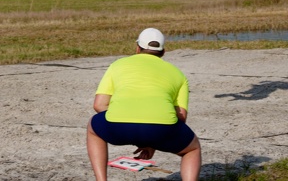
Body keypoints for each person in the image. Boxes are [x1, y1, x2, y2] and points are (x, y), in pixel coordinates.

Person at [86, 28, 202, 181]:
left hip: (118, 126)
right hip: (161, 129)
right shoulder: (178, 73)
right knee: (192, 149)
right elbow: (181, 116)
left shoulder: (117, 65)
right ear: (163, 52)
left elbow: (99, 105)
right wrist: (152, 141)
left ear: (137, 48)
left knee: (93, 129)